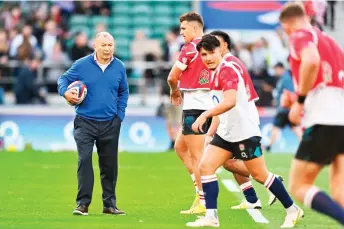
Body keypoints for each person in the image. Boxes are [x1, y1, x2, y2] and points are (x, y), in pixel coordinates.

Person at [186, 34, 303, 228]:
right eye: (204, 54)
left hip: (245, 133)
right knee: (205, 167)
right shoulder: (215, 72)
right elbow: (220, 105)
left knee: (259, 175)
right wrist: (211, 133)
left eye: (211, 53)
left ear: (220, 50)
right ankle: (211, 217)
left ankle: (292, 210)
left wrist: (204, 115)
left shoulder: (228, 70)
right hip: (227, 133)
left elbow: (230, 102)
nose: (208, 58)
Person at [279, 3, 344, 225]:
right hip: (341, 116)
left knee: (298, 186)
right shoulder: (331, 42)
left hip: (324, 119)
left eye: (284, 29)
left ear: (287, 23)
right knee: (340, 194)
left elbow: (312, 60)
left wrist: (300, 101)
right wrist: (299, 95)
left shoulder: (299, 35)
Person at [209, 30, 283, 209]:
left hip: (239, 120)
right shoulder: (230, 62)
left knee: (230, 162)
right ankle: (252, 199)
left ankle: (271, 180)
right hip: (235, 118)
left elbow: (232, 97)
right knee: (229, 162)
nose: (211, 50)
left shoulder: (229, 64)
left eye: (215, 45)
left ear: (225, 45)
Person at [57, 32, 129, 216]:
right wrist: (65, 92)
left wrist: (119, 115)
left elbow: (124, 92)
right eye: (103, 45)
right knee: (84, 161)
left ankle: (109, 205)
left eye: (110, 45)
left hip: (110, 123)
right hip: (85, 122)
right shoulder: (82, 64)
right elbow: (63, 79)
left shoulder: (119, 66)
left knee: (109, 165)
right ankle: (82, 204)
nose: (107, 49)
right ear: (95, 46)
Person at [167, 12, 212, 214]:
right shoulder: (213, 46)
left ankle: (204, 201)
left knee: (198, 157)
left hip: (195, 106)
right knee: (180, 147)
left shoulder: (191, 47)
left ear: (195, 28)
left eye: (184, 29)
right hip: (208, 105)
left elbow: (172, 76)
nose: (181, 32)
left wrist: (174, 90)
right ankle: (200, 192)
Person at [265, 62, 302, 152]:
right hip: (288, 108)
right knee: (295, 128)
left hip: (285, 108)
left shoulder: (286, 77)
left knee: (276, 128)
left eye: (276, 69)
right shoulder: (286, 77)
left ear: (280, 68)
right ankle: (303, 146)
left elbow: (289, 93)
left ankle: (269, 146)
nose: (275, 71)